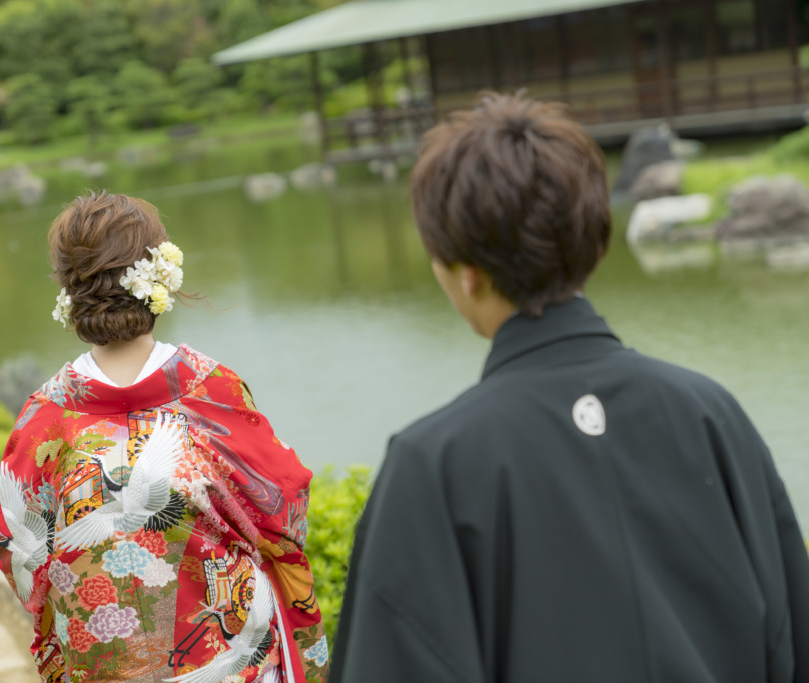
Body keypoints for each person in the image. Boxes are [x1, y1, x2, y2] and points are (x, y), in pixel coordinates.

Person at [331, 93, 809, 682]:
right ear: (597, 242)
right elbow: (791, 633)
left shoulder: (435, 463)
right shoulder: (711, 414)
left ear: (465, 273)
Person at [0, 191, 329, 683]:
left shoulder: (45, 418)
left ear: (68, 289)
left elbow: (13, 542)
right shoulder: (209, 391)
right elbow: (282, 511)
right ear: (160, 275)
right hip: (226, 664)